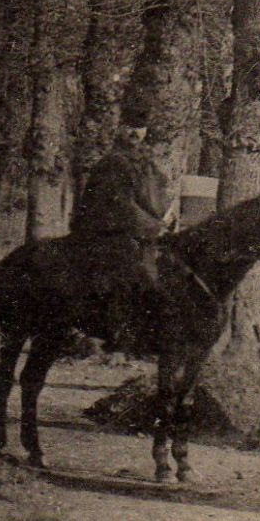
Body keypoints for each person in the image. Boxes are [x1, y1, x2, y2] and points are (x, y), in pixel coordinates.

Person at [71, 123, 175, 351]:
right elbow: (120, 203)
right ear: (118, 129)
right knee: (132, 272)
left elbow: (156, 201)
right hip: (105, 230)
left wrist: (166, 219)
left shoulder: (147, 165)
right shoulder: (112, 163)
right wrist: (153, 227)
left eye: (140, 128)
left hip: (136, 232)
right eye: (129, 127)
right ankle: (112, 336)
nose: (135, 133)